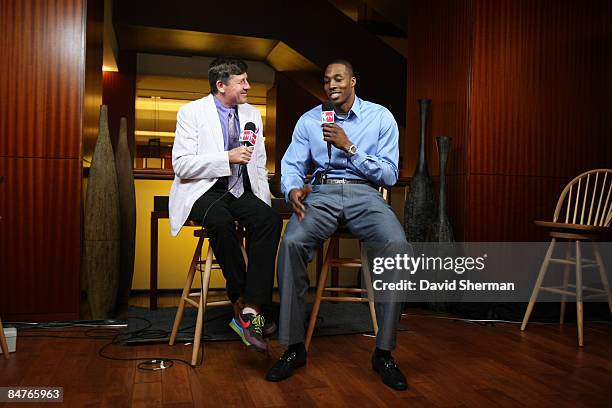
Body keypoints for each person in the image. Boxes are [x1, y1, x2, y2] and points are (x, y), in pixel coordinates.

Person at [266, 59, 410, 390]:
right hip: (322, 192)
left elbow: (389, 174)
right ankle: (293, 347)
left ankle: (384, 353)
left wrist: (349, 146)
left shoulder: (380, 117)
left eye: (338, 78)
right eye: (327, 80)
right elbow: (291, 164)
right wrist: (291, 189)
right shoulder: (309, 120)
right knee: (291, 243)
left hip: (366, 194)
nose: (331, 84)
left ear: (353, 82)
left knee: (399, 247)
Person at [169, 57, 282, 353]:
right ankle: (241, 301)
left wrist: (262, 198)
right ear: (221, 85)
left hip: (239, 188)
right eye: (241, 82)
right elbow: (181, 165)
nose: (248, 86)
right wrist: (226, 158)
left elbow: (257, 163)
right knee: (220, 222)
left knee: (269, 219)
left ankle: (252, 310)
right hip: (202, 189)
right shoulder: (191, 112)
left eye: (247, 80)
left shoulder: (252, 114)